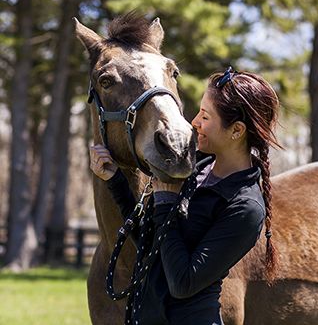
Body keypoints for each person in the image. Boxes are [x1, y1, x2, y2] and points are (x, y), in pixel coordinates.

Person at [90, 67, 281, 325]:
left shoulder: (245, 207)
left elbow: (184, 282)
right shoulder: (195, 168)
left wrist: (166, 205)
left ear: (236, 131)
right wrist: (114, 180)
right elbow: (148, 242)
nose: (194, 123)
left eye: (205, 116)